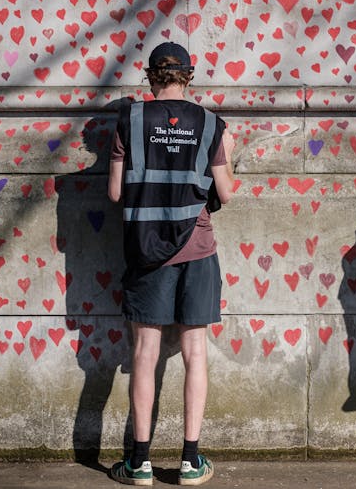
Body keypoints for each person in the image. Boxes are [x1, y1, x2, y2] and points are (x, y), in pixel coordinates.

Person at [107, 42, 235, 486]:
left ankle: (139, 463)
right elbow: (226, 190)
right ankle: (190, 461)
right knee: (194, 352)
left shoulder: (130, 119)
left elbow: (115, 193)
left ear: (150, 77)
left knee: (144, 353)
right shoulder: (211, 124)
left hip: (145, 249)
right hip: (197, 248)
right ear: (189, 77)